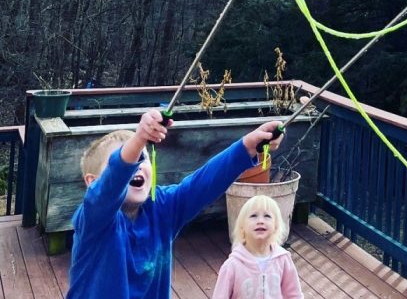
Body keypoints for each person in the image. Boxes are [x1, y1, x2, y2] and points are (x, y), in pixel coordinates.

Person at [66, 109, 284, 299]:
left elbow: (202, 184)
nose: (138, 165)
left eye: (143, 158)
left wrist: (246, 147)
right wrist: (139, 140)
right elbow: (110, 185)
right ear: (91, 182)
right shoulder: (93, 219)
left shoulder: (162, 207)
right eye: (132, 158)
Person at [212, 194, 303, 299]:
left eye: (267, 216)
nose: (260, 221)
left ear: (276, 226)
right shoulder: (232, 265)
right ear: (242, 226)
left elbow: (294, 295)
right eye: (253, 216)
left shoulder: (283, 260)